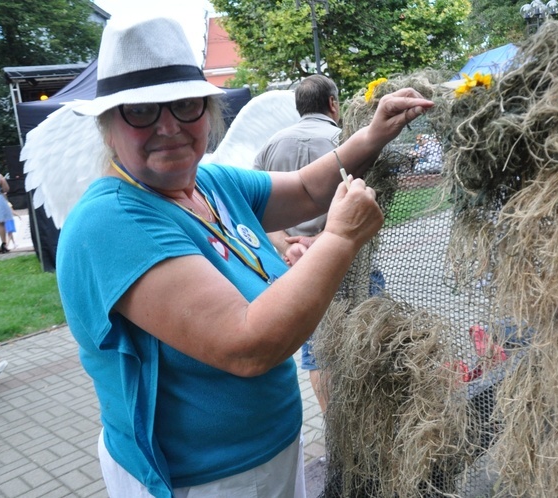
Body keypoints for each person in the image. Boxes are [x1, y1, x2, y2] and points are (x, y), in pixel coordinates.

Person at [55, 15, 432, 498]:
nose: (169, 126)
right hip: (200, 480)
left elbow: (304, 188)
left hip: (270, 450)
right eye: (141, 111)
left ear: (207, 114)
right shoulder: (112, 222)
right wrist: (340, 240)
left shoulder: (209, 184)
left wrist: (373, 135)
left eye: (185, 105)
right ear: (108, 127)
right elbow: (247, 344)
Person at [253, 74, 342, 414]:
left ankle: (336, 425)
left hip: (295, 265)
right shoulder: (343, 140)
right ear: (332, 103)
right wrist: (324, 241)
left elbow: (255, 210)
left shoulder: (270, 146)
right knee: (368, 331)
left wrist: (286, 246)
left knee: (317, 346)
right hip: (346, 260)